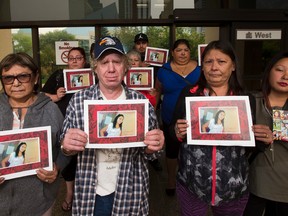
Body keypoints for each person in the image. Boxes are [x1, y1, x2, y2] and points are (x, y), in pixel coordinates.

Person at [60, 36, 164, 216]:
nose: (111, 68)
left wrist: (154, 146)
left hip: (131, 191)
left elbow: (153, 154)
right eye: (104, 62)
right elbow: (65, 148)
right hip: (91, 193)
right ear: (95, 68)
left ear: (125, 67)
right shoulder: (78, 101)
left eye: (116, 62)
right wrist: (66, 146)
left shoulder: (140, 102)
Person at [171, 40, 273, 216]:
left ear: (233, 66)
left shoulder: (244, 99)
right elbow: (173, 136)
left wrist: (263, 139)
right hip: (192, 183)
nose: (214, 67)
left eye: (221, 61)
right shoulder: (190, 94)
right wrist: (177, 133)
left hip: (232, 186)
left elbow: (251, 144)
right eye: (209, 62)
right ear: (202, 67)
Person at [0, 52, 66, 215]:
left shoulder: (51, 109)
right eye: (8, 78)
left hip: (40, 202)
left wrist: (57, 167)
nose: (15, 83)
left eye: (23, 76)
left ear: (35, 78)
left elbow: (64, 147)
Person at [42, 46, 87, 212]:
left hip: (87, 124)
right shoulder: (59, 75)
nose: (74, 61)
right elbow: (41, 94)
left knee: (86, 160)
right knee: (67, 159)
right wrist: (55, 96)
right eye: (71, 58)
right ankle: (69, 193)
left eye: (78, 58)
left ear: (84, 60)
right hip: (64, 123)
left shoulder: (92, 76)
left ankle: (85, 194)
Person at [244, 52, 288, 216]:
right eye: (279, 69)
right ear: (269, 71)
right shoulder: (250, 102)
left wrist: (276, 135)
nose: (285, 76)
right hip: (255, 181)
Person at [155, 38, 201, 196]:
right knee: (172, 150)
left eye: (186, 50)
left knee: (195, 150)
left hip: (196, 118)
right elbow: (157, 91)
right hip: (170, 116)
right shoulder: (164, 70)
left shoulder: (200, 69)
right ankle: (171, 180)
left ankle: (194, 178)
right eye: (179, 50)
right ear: (173, 53)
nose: (183, 53)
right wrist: (153, 113)